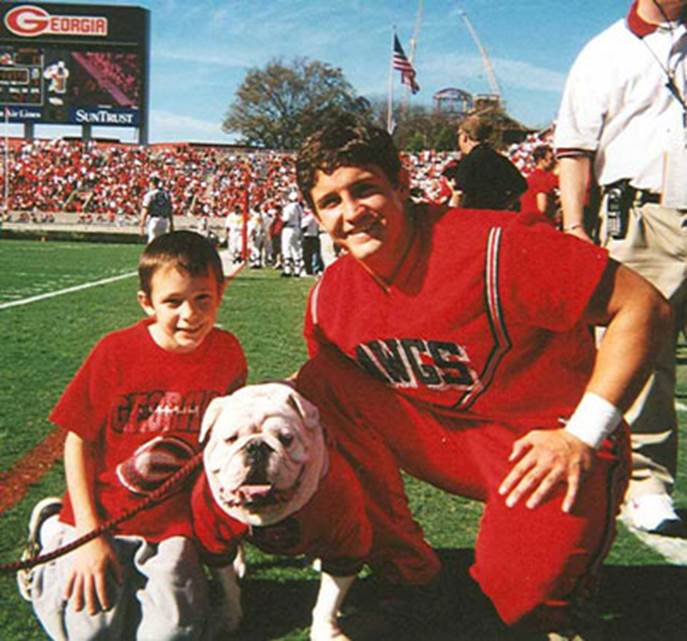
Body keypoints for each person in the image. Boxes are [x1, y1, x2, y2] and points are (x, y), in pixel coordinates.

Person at [292, 118, 670, 638]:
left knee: (521, 605)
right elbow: (328, 407)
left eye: (364, 190)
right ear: (315, 215)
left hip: (548, 441)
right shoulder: (329, 297)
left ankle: (559, 597)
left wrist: (583, 432)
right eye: (330, 202)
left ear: (402, 183)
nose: (351, 213)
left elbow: (643, 306)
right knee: (316, 386)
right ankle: (406, 573)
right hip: (448, 437)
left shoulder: (496, 245)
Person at [17, 231, 247, 641]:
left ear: (220, 294)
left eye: (203, 299)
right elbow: (77, 441)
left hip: (172, 525)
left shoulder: (227, 352)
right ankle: (50, 543)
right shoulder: (116, 352)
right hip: (103, 514)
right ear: (147, 303)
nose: (190, 315)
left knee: (175, 634)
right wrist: (89, 536)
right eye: (173, 302)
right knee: (92, 632)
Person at [555, 0, 686, 535]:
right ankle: (647, 484)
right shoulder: (604, 51)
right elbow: (575, 148)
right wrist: (574, 227)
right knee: (643, 351)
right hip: (642, 211)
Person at [449, 114, 527, 210]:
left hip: (473, 217)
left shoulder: (468, 162)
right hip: (496, 218)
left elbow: (459, 194)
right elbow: (521, 186)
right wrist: (504, 205)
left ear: (464, 137)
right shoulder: (500, 159)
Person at [521, 144, 560, 227]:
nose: (554, 161)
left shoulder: (531, 177)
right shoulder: (542, 179)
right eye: (551, 159)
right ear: (541, 160)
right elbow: (542, 208)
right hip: (540, 224)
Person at [139, 176, 174, 243]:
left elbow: (145, 210)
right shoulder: (166, 194)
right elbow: (169, 209)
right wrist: (171, 223)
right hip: (164, 221)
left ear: (151, 183)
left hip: (154, 220)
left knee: (152, 243)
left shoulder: (150, 195)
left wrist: (142, 225)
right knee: (161, 244)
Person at [280, 190, 304, 277]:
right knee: (296, 248)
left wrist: (281, 222)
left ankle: (287, 270)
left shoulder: (289, 207)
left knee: (286, 247)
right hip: (297, 227)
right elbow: (302, 217)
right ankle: (297, 270)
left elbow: (286, 219)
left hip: (289, 228)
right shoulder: (299, 207)